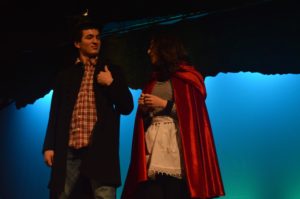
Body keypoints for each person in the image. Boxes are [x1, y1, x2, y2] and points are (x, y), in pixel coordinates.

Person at [121, 30, 225, 199]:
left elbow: (192, 114)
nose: (148, 52)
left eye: (152, 47)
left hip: (175, 146)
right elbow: (146, 120)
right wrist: (145, 111)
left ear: (163, 50)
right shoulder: (153, 81)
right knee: (150, 193)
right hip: (153, 145)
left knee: (173, 192)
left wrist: (164, 104)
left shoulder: (186, 78)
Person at [42, 18, 134, 199]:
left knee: (103, 194)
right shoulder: (65, 76)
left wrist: (111, 84)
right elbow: (55, 112)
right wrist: (49, 146)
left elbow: (127, 107)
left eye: (98, 37)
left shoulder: (111, 70)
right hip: (70, 147)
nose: (95, 41)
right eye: (89, 37)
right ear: (77, 43)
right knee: (61, 194)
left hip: (100, 147)